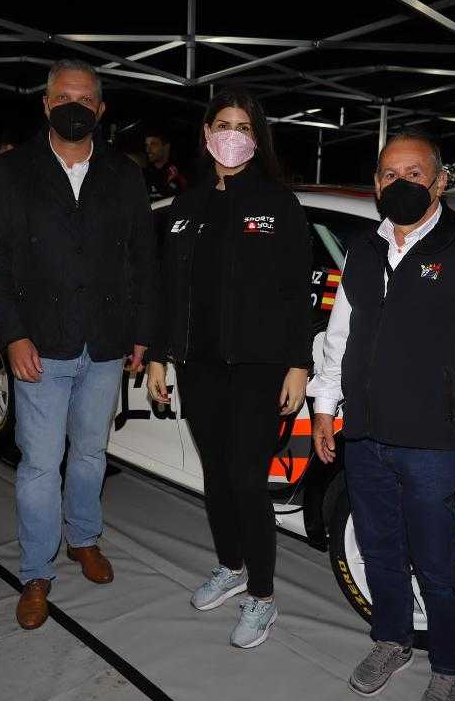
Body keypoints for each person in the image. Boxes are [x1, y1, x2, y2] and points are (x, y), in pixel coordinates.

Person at [309, 133, 455, 700]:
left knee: (439, 561)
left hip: (435, 443)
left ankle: (452, 665)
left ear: (439, 181)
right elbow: (340, 336)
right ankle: (392, 639)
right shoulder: (362, 249)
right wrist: (326, 406)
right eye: (389, 174)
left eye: (413, 174)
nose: (400, 183)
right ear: (375, 182)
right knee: (379, 549)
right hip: (365, 436)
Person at [0, 59, 155, 631]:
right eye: (62, 98)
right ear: (46, 104)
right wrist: (12, 334)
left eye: (84, 99)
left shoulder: (124, 174)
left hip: (104, 342)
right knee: (39, 463)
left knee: (91, 453)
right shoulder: (12, 172)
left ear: (100, 109)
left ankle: (83, 538)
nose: (73, 107)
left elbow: (141, 259)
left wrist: (141, 333)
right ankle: (36, 572)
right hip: (40, 344)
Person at [145, 87, 312, 649]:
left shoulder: (278, 204)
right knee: (216, 474)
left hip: (258, 366)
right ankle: (231, 566)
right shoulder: (185, 206)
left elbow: (297, 291)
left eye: (243, 127)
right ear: (206, 133)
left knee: (245, 479)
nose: (232, 136)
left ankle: (262, 594)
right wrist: (160, 356)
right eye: (223, 125)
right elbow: (169, 292)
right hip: (199, 365)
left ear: (257, 139)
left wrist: (298, 364)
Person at [143, 129, 187, 200]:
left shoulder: (177, 173)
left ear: (166, 147)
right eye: (146, 145)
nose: (148, 150)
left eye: (153, 144)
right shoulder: (142, 173)